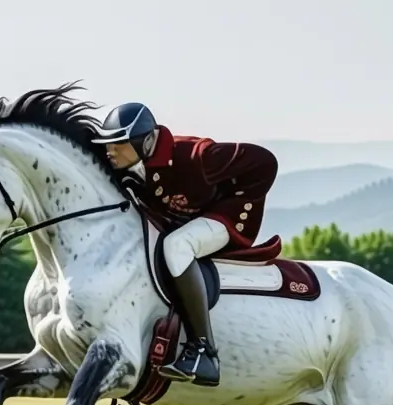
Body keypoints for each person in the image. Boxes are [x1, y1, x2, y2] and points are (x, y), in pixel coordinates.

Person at [91, 102, 279, 387]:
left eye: (119, 143)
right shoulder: (130, 162)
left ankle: (204, 349)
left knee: (177, 245)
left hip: (228, 220)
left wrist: (229, 200)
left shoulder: (198, 157)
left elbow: (266, 162)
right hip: (189, 220)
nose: (111, 150)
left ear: (147, 141)